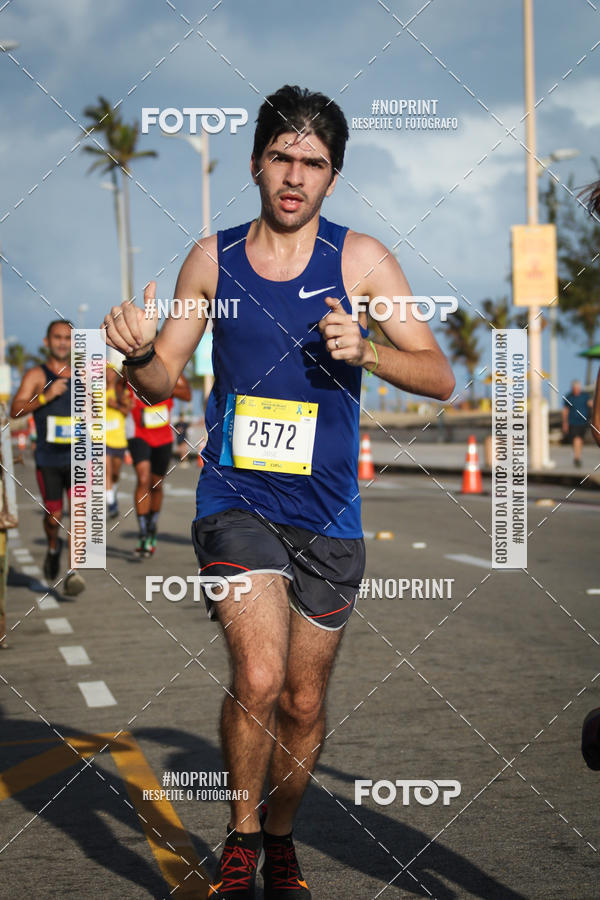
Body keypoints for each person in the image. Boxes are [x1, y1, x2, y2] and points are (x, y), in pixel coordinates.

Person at [103, 84, 455, 899]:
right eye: (283, 159)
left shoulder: (362, 260)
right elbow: (162, 382)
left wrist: (367, 349)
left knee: (301, 700)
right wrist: (136, 354)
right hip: (237, 502)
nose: (296, 176)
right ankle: (241, 837)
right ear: (257, 163)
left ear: (333, 177)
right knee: (258, 679)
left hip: (330, 515)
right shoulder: (212, 258)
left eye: (315, 164)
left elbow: (437, 375)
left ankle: (283, 837)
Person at [10, 320, 85, 596]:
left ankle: (73, 571)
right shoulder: (36, 375)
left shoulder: (83, 375)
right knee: (54, 517)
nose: (63, 342)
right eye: (57, 337)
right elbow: (15, 411)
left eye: (68, 337)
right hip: (48, 459)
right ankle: (53, 547)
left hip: (78, 458)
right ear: (47, 342)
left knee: (78, 515)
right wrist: (46, 396)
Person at [125, 373, 191, 557]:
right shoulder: (129, 369)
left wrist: (161, 383)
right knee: (143, 478)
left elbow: (187, 395)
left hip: (162, 437)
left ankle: (152, 524)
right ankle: (143, 530)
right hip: (138, 434)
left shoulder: (170, 369)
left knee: (156, 484)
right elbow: (114, 387)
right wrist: (123, 402)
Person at [105, 358, 130, 519]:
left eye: (111, 372)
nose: (108, 375)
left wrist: (116, 406)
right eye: (106, 372)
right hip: (101, 439)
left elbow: (127, 411)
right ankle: (111, 504)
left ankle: (112, 494)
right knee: (105, 471)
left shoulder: (121, 392)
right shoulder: (97, 391)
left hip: (119, 439)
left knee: (115, 473)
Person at [562, 379, 591, 467]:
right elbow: (565, 410)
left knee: (580, 440)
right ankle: (577, 458)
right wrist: (565, 423)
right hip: (573, 422)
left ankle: (577, 456)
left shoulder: (585, 396)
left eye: (578, 388)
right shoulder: (569, 397)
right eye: (575, 388)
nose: (576, 390)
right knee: (576, 439)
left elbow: (591, 404)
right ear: (572, 388)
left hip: (583, 421)